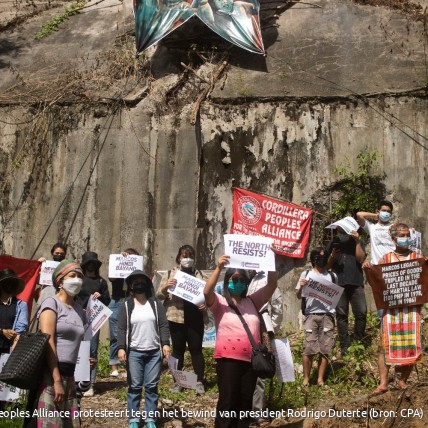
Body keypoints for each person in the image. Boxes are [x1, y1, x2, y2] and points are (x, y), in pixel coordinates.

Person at [204, 255, 278, 428]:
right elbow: (206, 292)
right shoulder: (220, 302)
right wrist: (218, 268)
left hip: (250, 362)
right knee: (228, 402)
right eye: (234, 279)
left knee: (245, 403)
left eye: (242, 279)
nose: (238, 282)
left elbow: (272, 285)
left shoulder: (252, 301)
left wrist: (270, 262)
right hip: (228, 360)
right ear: (227, 281)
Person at [367, 223, 426, 395]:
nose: (405, 238)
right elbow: (377, 284)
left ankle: (402, 380)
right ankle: (383, 383)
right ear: (393, 239)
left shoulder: (418, 258)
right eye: (402, 235)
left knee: (412, 344)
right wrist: (368, 271)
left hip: (411, 311)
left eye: (408, 235)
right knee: (384, 345)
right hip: (390, 311)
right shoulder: (385, 259)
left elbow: (423, 282)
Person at [33, 260, 86, 427]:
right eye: (72, 275)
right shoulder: (51, 304)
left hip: (69, 376)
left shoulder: (79, 310)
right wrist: (56, 380)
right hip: (51, 375)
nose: (77, 280)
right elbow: (48, 341)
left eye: (80, 276)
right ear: (60, 281)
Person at [117, 270, 171, 428]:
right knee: (134, 386)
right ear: (131, 286)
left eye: (142, 281)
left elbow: (163, 325)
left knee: (151, 386)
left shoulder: (156, 304)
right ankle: (133, 419)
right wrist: (121, 348)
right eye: (136, 282)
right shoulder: (126, 306)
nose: (139, 284)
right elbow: (121, 329)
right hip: (134, 352)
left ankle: (150, 419)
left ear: (147, 285)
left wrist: (165, 343)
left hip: (154, 352)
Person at [156, 244, 207, 394]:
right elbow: (159, 295)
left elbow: (209, 296)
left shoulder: (200, 275)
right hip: (175, 318)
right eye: (185, 256)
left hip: (195, 318)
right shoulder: (170, 274)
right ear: (179, 257)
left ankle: (199, 381)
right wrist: (166, 287)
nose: (188, 259)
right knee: (177, 351)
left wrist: (205, 305)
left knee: (196, 350)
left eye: (191, 256)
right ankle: (178, 380)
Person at [295, 248, 337, 387]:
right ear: (313, 259)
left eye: (324, 257)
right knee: (308, 347)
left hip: (327, 316)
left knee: (325, 349)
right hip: (311, 315)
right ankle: (306, 379)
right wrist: (301, 287)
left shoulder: (332, 276)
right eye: (319, 257)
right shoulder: (306, 274)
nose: (322, 259)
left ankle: (320, 379)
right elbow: (298, 295)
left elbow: (336, 295)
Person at [247, 270, 283, 426]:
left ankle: (259, 410)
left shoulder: (266, 279)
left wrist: (271, 328)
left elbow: (277, 306)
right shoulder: (247, 280)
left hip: (263, 328)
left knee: (261, 369)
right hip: (246, 327)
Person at [326, 220, 366, 356]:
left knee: (361, 313)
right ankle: (345, 346)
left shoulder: (357, 242)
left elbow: (361, 259)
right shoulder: (333, 243)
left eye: (343, 230)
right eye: (339, 230)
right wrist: (332, 256)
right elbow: (326, 266)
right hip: (339, 284)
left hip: (356, 283)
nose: (341, 233)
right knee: (342, 315)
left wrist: (357, 241)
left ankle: (359, 343)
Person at [77, 251, 111, 397]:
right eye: (88, 263)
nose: (91, 266)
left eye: (93, 263)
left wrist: (100, 296)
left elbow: (108, 300)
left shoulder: (101, 282)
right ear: (84, 265)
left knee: (92, 350)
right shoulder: (78, 280)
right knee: (77, 349)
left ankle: (90, 383)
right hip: (78, 317)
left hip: (94, 320)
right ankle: (77, 380)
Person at [108, 248, 140, 377]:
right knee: (115, 335)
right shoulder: (117, 265)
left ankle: (129, 366)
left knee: (131, 334)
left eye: (134, 258)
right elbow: (111, 278)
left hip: (132, 301)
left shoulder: (137, 271)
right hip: (116, 301)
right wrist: (120, 259)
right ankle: (114, 366)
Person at [0, 269, 28, 410]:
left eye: (12, 282)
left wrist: (15, 338)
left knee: (7, 383)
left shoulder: (20, 305)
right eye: (6, 282)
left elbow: (21, 325)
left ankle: (8, 412)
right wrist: (2, 331)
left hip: (10, 348)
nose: (9, 285)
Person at [357, 200, 395, 267]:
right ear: (378, 211)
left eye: (388, 211)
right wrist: (375, 216)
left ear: (391, 214)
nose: (386, 213)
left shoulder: (394, 226)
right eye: (383, 210)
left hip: (392, 265)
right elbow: (359, 215)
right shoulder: (372, 227)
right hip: (377, 265)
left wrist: (412, 231)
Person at [36, 243, 67, 307]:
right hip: (45, 300)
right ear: (52, 254)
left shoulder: (68, 267)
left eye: (61, 254)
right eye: (57, 253)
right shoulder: (46, 265)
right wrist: (38, 266)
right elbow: (37, 281)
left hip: (61, 302)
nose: (59, 255)